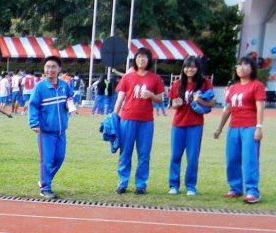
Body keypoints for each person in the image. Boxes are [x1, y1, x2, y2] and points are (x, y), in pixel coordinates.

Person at [113, 47, 165, 194]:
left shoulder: (155, 78)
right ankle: (122, 183)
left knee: (144, 153)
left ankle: (141, 184)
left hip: (146, 121)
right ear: (135, 59)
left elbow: (161, 99)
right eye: (139, 57)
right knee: (125, 152)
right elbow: (120, 97)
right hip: (127, 118)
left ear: (149, 60)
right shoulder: (127, 77)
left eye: (144, 57)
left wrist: (151, 95)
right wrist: (114, 114)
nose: (141, 59)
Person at [214, 56, 266, 204]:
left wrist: (259, 127)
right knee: (232, 159)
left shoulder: (257, 85)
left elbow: (260, 106)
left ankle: (252, 191)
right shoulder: (233, 88)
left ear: (252, 69)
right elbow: (227, 109)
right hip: (233, 127)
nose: (242, 68)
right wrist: (219, 128)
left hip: (249, 127)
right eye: (239, 65)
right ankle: (236, 188)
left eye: (246, 65)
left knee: (249, 159)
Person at [28, 56, 75, 199]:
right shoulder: (40, 87)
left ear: (59, 69)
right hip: (46, 131)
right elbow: (33, 105)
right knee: (47, 160)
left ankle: (44, 179)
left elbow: (70, 98)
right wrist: (34, 123)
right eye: (47, 67)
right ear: (44, 69)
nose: (50, 70)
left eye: (53, 67)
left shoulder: (64, 86)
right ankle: (45, 187)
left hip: (61, 131)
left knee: (59, 158)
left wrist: (70, 105)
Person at [168, 56, 214, 196]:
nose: (190, 69)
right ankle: (174, 185)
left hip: (195, 124)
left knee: (193, 157)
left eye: (193, 66)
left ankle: (191, 186)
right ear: (183, 68)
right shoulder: (177, 84)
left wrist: (199, 99)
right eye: (187, 66)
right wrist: (176, 104)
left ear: (198, 68)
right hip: (178, 124)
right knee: (175, 156)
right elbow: (173, 105)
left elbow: (211, 104)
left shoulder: (205, 83)